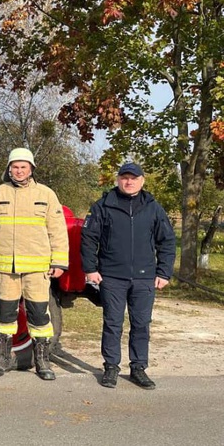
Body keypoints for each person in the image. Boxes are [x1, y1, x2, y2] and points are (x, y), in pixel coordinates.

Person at [81, 163, 176, 390]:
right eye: (125, 177)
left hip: (145, 278)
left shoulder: (153, 208)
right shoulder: (103, 205)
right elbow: (88, 239)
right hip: (111, 276)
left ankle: (138, 368)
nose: (129, 182)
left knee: (141, 324)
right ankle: (111, 367)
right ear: (118, 179)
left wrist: (164, 272)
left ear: (142, 181)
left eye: (134, 178)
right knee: (113, 323)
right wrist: (90, 269)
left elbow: (167, 241)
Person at [0, 148, 68, 380]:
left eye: (23, 167)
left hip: (37, 269)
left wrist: (59, 261)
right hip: (6, 268)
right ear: (9, 169)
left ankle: (42, 361)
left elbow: (58, 230)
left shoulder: (46, 194)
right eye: (15, 167)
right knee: (5, 314)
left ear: (31, 169)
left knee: (39, 315)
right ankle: (2, 359)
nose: (19, 171)